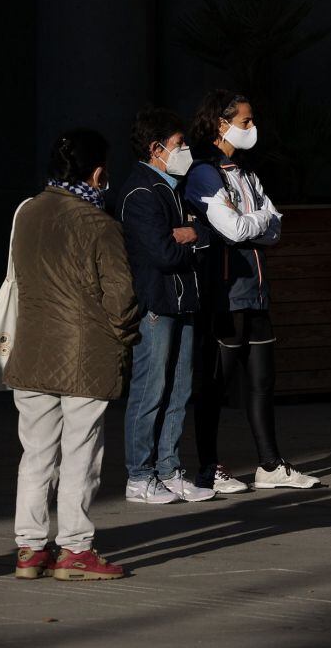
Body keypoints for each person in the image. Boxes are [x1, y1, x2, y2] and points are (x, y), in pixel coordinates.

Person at [4, 129, 140, 580]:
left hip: (32, 350)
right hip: (86, 355)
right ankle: (75, 550)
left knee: (36, 453)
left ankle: (30, 548)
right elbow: (120, 297)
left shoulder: (26, 213)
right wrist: (125, 337)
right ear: (98, 172)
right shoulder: (100, 225)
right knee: (80, 454)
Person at [184, 89, 320, 491]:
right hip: (226, 294)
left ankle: (270, 464)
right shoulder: (204, 171)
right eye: (245, 121)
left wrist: (256, 219)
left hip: (256, 291)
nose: (252, 128)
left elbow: (273, 228)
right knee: (215, 386)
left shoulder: (244, 171)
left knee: (262, 381)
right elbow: (234, 228)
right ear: (221, 124)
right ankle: (208, 467)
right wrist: (260, 219)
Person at [116, 108, 215, 504]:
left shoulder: (171, 186)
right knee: (150, 390)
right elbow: (162, 253)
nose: (185, 150)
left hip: (183, 299)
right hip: (158, 302)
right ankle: (139, 476)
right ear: (157, 149)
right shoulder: (142, 192)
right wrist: (194, 241)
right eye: (179, 144)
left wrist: (193, 235)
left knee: (179, 389)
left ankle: (168, 469)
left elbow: (202, 235)